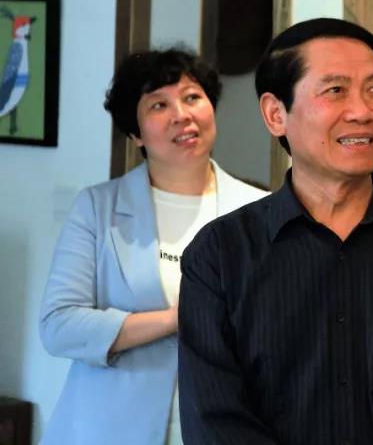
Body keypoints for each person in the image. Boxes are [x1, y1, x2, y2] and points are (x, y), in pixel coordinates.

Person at [178, 18, 373, 444]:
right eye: (336, 90)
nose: (362, 111)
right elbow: (215, 419)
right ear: (275, 114)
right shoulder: (221, 255)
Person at [39, 49, 268, 445]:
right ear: (136, 134)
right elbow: (58, 326)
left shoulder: (259, 211)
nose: (182, 114)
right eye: (159, 105)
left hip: (222, 425)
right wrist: (174, 319)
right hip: (108, 428)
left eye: (192, 97)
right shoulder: (98, 208)